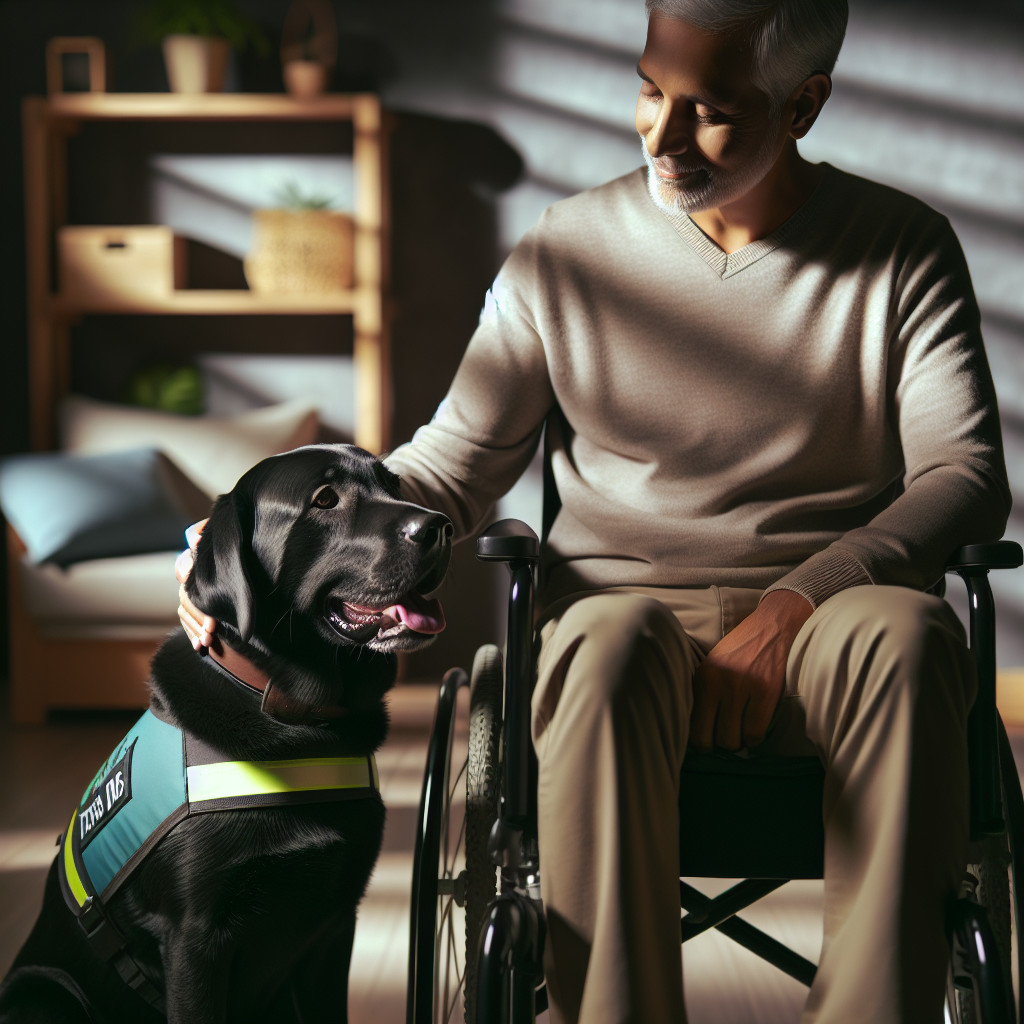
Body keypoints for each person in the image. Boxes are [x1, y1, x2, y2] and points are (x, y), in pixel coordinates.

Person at [179, 1, 1010, 1020]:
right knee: (599, 651)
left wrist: (797, 602)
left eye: (709, 110)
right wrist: (241, 545)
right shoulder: (563, 252)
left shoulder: (901, 248)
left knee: (916, 639)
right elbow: (452, 461)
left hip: (830, 612)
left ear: (804, 104)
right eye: (649, 91)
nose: (661, 137)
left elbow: (962, 473)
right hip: (623, 611)